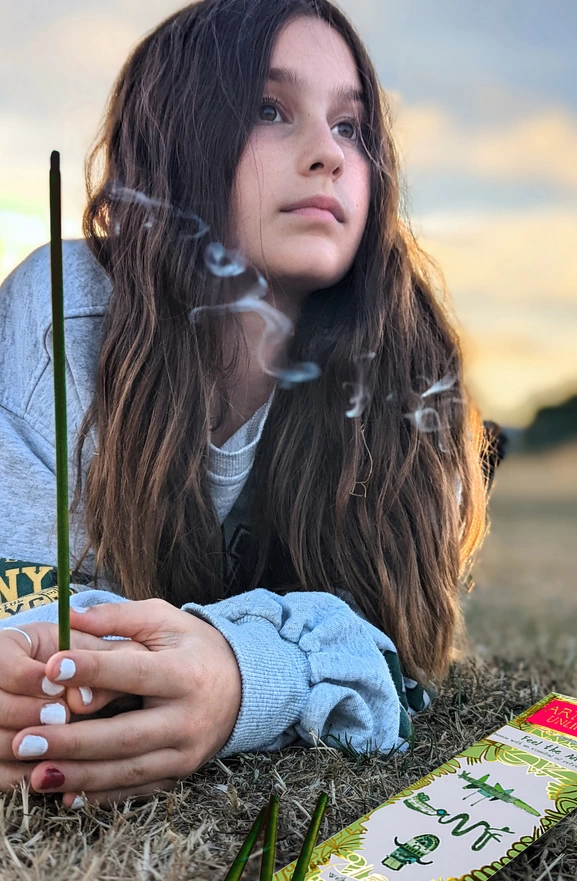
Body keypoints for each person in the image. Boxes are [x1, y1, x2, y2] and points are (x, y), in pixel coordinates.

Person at [0, 0, 495, 810]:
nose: (327, 155)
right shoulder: (66, 313)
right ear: (177, 139)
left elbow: (398, 663)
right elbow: (29, 609)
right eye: (271, 110)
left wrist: (241, 677)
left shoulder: (409, 369)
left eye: (351, 127)